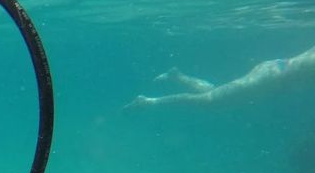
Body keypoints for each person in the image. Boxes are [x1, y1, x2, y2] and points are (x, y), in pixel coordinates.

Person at [126, 45, 315, 108]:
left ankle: (177, 77)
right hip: (269, 79)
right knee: (209, 101)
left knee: (213, 94)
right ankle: (149, 102)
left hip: (275, 70)